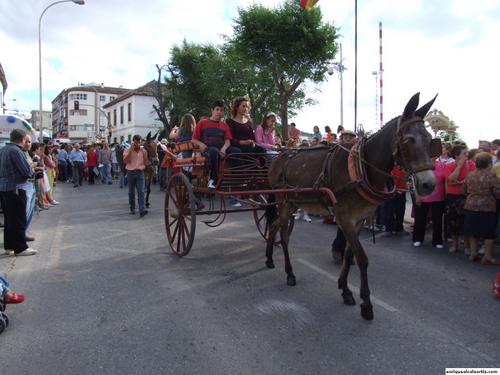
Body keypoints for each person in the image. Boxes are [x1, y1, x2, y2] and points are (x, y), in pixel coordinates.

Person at [0, 129, 37, 256]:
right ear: (22, 139)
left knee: (9, 219)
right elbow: (26, 171)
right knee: (18, 220)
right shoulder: (16, 151)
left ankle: (9, 245)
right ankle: (21, 247)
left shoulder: (3, 150)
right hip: (16, 188)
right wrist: (34, 173)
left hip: (4, 188)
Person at [191, 100, 242, 189]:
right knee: (215, 152)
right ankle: (213, 180)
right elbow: (194, 139)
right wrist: (201, 144)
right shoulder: (202, 123)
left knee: (237, 152)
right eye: (217, 109)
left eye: (221, 110)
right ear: (212, 110)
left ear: (224, 112)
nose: (219, 112)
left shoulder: (224, 125)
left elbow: (227, 141)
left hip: (221, 147)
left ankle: (237, 179)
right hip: (208, 148)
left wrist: (224, 149)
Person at [463, 152, 500, 265]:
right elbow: (498, 192)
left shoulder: (470, 175)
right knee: (488, 232)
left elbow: (464, 190)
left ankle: (473, 254)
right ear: (489, 163)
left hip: (470, 205)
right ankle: (487, 256)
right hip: (487, 207)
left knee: (473, 231)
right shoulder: (491, 176)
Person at [330, 130, 357, 264]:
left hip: (352, 190)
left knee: (350, 224)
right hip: (339, 189)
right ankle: (337, 248)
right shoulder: (336, 150)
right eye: (345, 137)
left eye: (350, 137)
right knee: (344, 224)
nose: (347, 139)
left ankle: (345, 251)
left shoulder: (357, 151)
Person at [444, 144, 475, 254]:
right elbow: (451, 179)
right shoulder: (449, 166)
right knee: (453, 220)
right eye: (464, 154)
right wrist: (460, 166)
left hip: (466, 196)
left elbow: (472, 179)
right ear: (457, 155)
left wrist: (460, 182)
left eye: (467, 153)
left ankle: (466, 246)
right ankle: (454, 244)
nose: (466, 155)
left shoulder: (471, 164)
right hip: (453, 196)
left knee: (465, 221)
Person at [413, 155, 446, 248]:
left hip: (439, 196)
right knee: (420, 218)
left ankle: (437, 240)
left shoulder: (442, 165)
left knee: (438, 219)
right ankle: (418, 238)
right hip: (423, 196)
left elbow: (445, 181)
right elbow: (415, 181)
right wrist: (417, 196)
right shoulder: (421, 166)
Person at [123, 134, 150, 217]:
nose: (138, 144)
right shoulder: (127, 150)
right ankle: (132, 207)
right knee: (131, 192)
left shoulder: (143, 151)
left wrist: (147, 165)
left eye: (139, 142)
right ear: (133, 142)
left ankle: (142, 209)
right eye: (136, 142)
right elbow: (125, 161)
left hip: (140, 172)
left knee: (141, 191)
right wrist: (131, 150)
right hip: (131, 172)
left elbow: (146, 161)